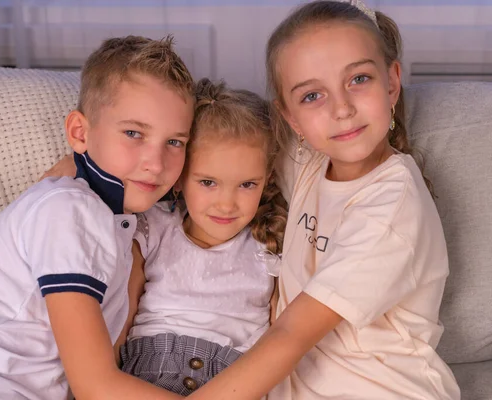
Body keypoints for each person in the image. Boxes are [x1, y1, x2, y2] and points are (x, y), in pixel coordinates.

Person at [0, 35, 196, 400]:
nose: (156, 163)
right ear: (79, 133)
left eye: (174, 142)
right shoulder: (72, 211)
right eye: (133, 133)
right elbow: (96, 387)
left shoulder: (101, 212)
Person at [186, 1, 461, 399]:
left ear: (391, 83)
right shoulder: (310, 162)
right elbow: (213, 138)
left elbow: (291, 334)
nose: (342, 109)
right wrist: (80, 165)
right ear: (291, 118)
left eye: (359, 79)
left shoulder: (393, 205)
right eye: (313, 96)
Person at [119, 78, 288, 395]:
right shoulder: (151, 229)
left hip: (233, 383)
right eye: (208, 182)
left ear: (266, 181)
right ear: (180, 177)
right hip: (147, 377)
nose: (226, 204)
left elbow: (282, 338)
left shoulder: (271, 245)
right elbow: (116, 323)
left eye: (247, 184)